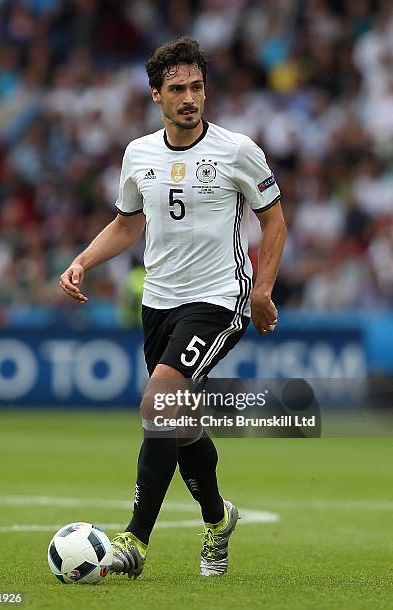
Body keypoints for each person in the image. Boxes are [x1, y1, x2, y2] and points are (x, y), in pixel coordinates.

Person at [59, 37, 287, 578]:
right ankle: (217, 518)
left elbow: (273, 218)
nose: (190, 98)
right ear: (156, 95)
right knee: (179, 423)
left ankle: (134, 541)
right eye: (178, 89)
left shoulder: (236, 150)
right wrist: (83, 261)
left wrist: (261, 290)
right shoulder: (138, 154)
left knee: (157, 403)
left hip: (219, 299)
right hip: (158, 304)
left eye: (197, 87)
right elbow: (128, 222)